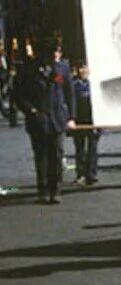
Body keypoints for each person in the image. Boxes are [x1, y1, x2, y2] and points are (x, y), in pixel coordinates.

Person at [13, 35, 74, 204]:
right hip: (38, 118)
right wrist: (31, 111)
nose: (57, 54)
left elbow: (69, 93)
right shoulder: (27, 70)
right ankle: (43, 189)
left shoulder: (62, 68)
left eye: (58, 51)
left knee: (57, 154)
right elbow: (19, 95)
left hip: (57, 117)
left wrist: (71, 117)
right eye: (54, 51)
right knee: (41, 156)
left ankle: (56, 189)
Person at [70, 62, 99, 186]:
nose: (83, 71)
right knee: (80, 148)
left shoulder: (95, 83)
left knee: (93, 148)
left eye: (85, 68)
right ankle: (81, 173)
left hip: (94, 120)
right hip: (79, 120)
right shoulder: (73, 84)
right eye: (80, 68)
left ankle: (91, 174)